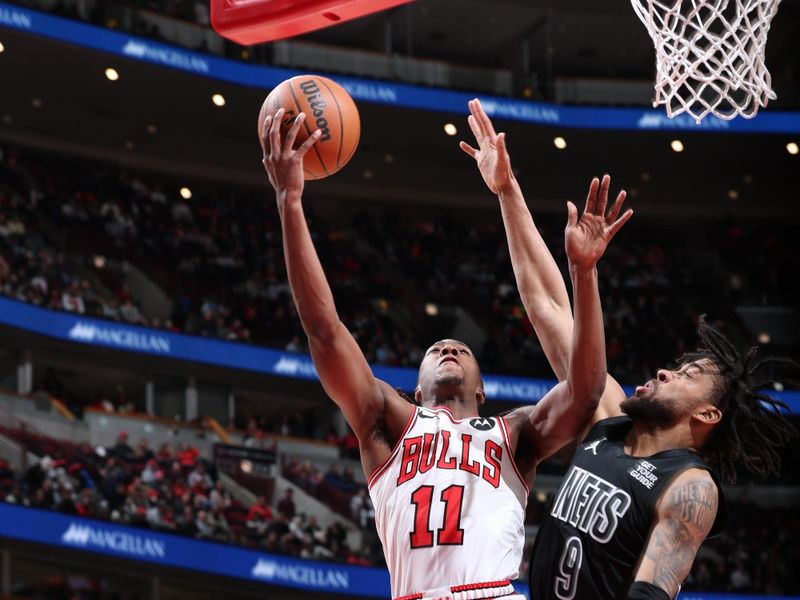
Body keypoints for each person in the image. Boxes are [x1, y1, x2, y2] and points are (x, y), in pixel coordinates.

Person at [260, 107, 632, 600]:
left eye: (459, 347)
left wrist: (584, 276)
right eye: (436, 348)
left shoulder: (516, 432)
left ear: (482, 388)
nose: (449, 347)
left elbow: (587, 392)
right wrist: (290, 200)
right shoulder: (386, 422)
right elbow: (324, 332)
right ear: (414, 389)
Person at [460, 98, 797, 600]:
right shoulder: (607, 420)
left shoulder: (690, 485)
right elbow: (548, 308)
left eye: (689, 373)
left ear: (709, 413)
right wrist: (508, 190)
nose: (666, 371)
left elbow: (652, 592)